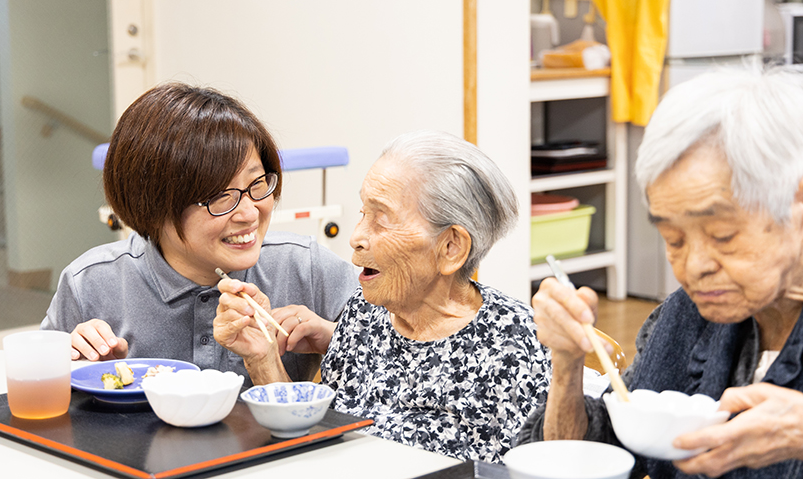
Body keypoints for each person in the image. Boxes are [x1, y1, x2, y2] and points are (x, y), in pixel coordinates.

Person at [519, 66, 803, 478]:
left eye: (722, 235)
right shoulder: (686, 317)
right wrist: (567, 364)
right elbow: (607, 455)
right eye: (673, 240)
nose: (693, 268)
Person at [214, 131, 551, 463]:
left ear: (451, 247)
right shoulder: (363, 315)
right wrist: (264, 358)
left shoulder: (514, 344)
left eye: (382, 220)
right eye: (363, 213)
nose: (356, 237)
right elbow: (317, 448)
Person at [40, 82, 358, 385]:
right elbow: (37, 394)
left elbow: (399, 365)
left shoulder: (305, 268)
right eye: (220, 197)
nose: (249, 213)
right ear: (153, 204)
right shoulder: (90, 284)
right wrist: (77, 373)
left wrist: (333, 337)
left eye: (257, 185)